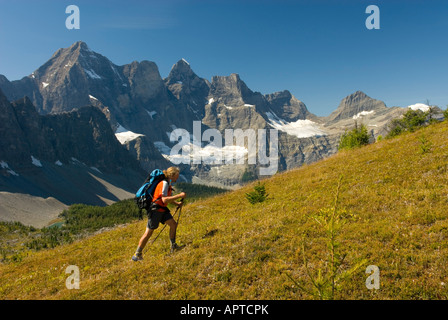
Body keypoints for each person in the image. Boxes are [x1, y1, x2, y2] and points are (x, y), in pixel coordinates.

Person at [132, 166, 186, 261]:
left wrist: (176, 203)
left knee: (173, 224)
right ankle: (137, 254)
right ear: (172, 175)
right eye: (177, 176)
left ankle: (173, 246)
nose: (177, 178)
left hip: (161, 209)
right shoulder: (164, 183)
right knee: (148, 232)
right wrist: (180, 195)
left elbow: (165, 198)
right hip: (155, 210)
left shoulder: (167, 183)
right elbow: (164, 199)